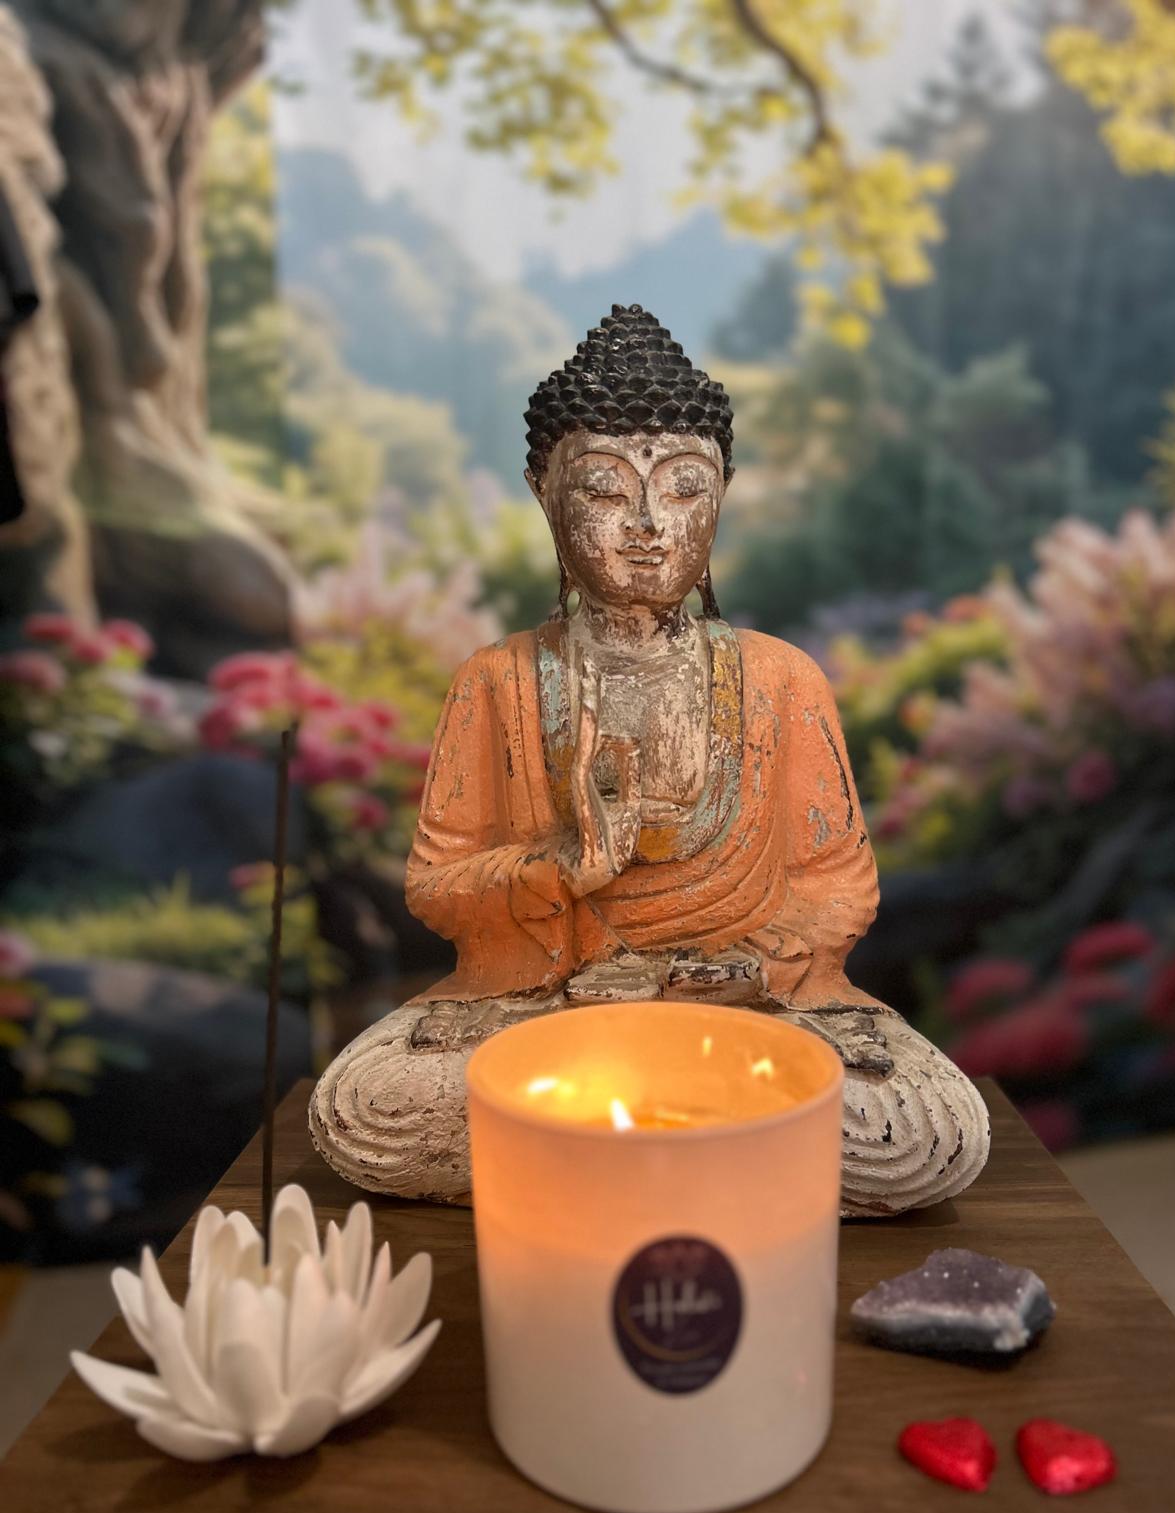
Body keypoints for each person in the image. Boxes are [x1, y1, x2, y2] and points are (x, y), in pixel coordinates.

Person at [311, 306, 989, 1216]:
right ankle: (705, 1164)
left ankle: (586, 1167)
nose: (646, 525)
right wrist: (560, 868)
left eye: (681, 489)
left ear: (723, 493)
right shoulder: (497, 681)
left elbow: (839, 886)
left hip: (746, 1013)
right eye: (602, 491)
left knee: (918, 1131)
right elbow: (437, 887)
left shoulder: (782, 680)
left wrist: (744, 966)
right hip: (546, 1014)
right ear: (543, 494)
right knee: (373, 1112)